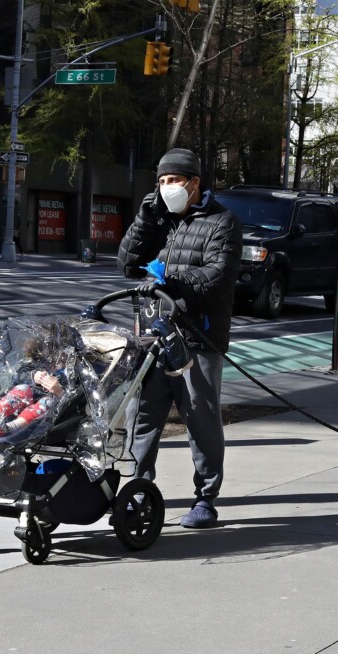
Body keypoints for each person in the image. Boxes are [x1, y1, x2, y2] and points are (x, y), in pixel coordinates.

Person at [116, 148, 242, 529]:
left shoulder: (223, 222)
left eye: (173, 181)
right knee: (143, 418)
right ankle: (139, 490)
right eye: (162, 181)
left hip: (198, 339)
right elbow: (126, 263)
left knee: (201, 420)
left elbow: (217, 277)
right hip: (154, 339)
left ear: (193, 183)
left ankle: (206, 499)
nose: (167, 187)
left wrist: (172, 282)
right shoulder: (159, 221)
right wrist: (143, 219)